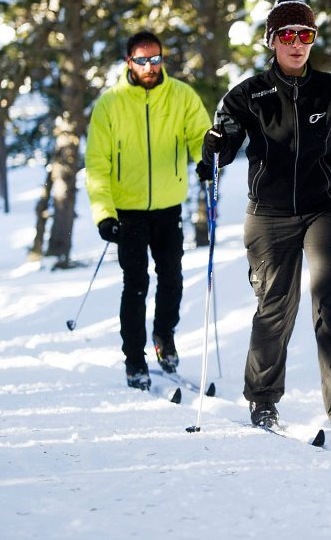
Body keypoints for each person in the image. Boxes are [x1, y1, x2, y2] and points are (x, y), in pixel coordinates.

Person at [201, 0, 331, 435]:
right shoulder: (248, 94)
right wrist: (213, 150)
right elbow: (224, 147)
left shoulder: (328, 89)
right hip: (268, 215)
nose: (297, 43)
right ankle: (263, 401)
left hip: (324, 208)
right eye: (288, 35)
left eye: (305, 35)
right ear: (272, 41)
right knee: (276, 306)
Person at [85, 30, 212, 391]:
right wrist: (104, 215)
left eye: (155, 59)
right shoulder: (110, 105)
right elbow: (97, 164)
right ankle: (134, 360)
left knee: (172, 278)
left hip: (168, 206)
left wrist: (207, 157)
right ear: (129, 62)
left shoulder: (181, 96)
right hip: (127, 212)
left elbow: (199, 137)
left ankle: (163, 336)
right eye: (142, 60)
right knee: (136, 284)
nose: (150, 66)